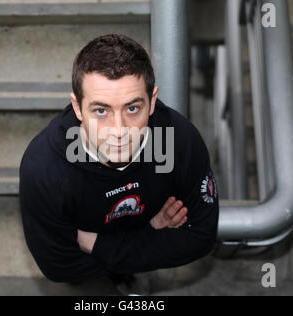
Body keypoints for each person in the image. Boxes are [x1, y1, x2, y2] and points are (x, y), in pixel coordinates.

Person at [19, 34, 219, 295]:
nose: (119, 130)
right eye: (101, 111)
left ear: (152, 102)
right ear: (78, 108)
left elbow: (200, 237)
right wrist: (151, 239)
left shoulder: (176, 140)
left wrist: (92, 242)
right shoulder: (46, 167)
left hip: (105, 239)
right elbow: (60, 268)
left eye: (132, 109)